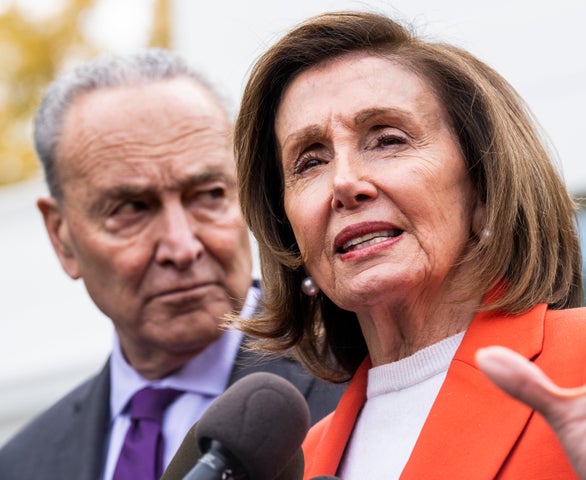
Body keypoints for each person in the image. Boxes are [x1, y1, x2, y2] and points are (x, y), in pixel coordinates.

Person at [232, 11, 586, 480]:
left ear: (484, 189)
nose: (344, 182)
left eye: (388, 140)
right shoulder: (299, 457)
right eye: (309, 162)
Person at [0, 49, 344, 480]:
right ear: (61, 236)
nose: (182, 248)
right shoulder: (21, 464)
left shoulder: (357, 382)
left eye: (209, 195)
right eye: (131, 208)